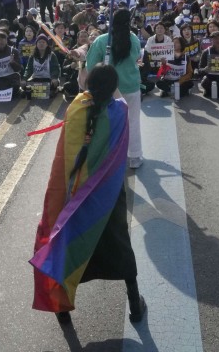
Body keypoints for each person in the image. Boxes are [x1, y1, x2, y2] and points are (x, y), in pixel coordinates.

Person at [31, 64, 145, 326]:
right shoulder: (120, 111)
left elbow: (65, 158)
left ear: (89, 83)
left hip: (76, 199)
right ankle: (135, 305)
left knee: (71, 248)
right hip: (109, 197)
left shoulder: (76, 107)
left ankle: (63, 311)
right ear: (112, 87)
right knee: (120, 247)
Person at [85, 9, 144, 169]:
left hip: (108, 89)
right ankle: (134, 156)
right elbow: (138, 58)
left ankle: (109, 158)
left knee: (107, 123)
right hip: (132, 86)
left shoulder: (101, 40)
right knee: (133, 121)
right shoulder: (135, 40)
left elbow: (90, 65)